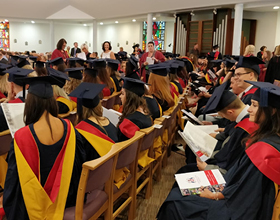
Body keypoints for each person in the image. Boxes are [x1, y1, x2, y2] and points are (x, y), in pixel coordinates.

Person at [157, 81, 280, 220]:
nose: (249, 109)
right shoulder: (269, 138)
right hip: (232, 193)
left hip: (233, 208)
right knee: (179, 191)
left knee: (175, 204)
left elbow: (246, 196)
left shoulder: (265, 152)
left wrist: (215, 195)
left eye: (255, 105)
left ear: (272, 111)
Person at [3, 76, 86, 220]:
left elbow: (13, 184)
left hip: (30, 209)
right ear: (52, 101)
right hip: (66, 198)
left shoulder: (22, 136)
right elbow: (77, 166)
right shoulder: (69, 127)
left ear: (30, 104)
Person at [69, 82, 118, 161]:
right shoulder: (107, 121)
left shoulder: (80, 132)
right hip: (113, 167)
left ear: (80, 108)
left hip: (95, 172)